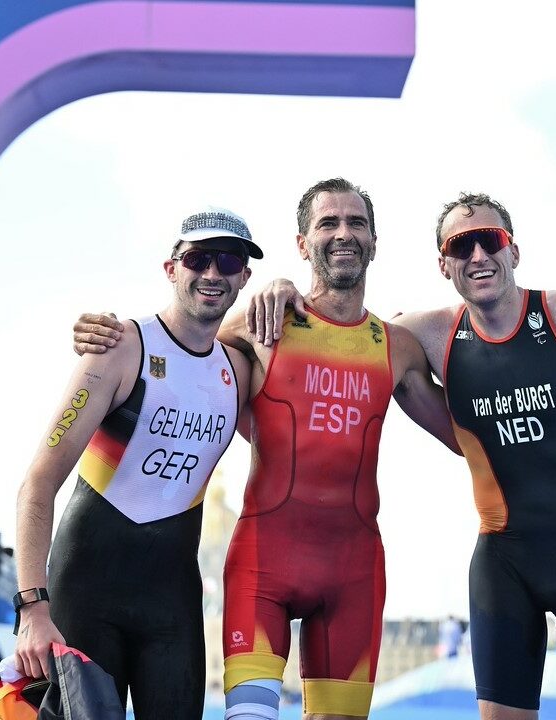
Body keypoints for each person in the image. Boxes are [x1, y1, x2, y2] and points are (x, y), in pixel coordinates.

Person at [245, 191, 556, 719]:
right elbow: (339, 334)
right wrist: (283, 288)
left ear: (513, 252)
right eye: (461, 245)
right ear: (443, 264)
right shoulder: (422, 335)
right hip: (503, 567)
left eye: (489, 241)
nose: (478, 257)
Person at [71, 178, 461, 720]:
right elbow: (181, 337)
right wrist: (106, 335)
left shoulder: (398, 347)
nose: (343, 233)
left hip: (354, 572)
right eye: (328, 223)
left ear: (374, 239)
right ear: (302, 244)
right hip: (265, 562)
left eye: (356, 223)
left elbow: (466, 439)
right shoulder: (261, 326)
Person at [14, 207, 259, 720]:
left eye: (228, 260)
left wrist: (282, 288)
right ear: (172, 269)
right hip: (86, 589)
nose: (212, 273)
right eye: (197, 258)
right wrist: (32, 609)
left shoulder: (240, 368)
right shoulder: (119, 348)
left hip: (171, 603)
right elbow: (38, 484)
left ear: (244, 276)